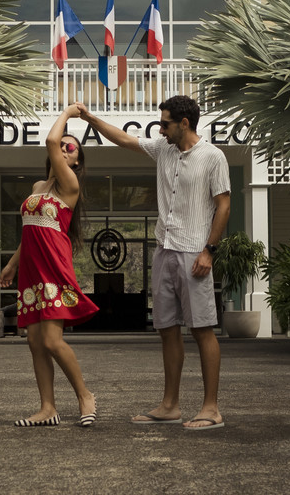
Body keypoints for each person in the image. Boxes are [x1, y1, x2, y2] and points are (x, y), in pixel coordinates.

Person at [77, 95, 230, 431]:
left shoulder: (213, 157)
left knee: (202, 328)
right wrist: (90, 118)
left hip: (195, 253)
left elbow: (223, 206)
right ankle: (170, 405)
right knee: (166, 329)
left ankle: (211, 408)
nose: (159, 129)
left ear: (184, 123)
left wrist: (209, 250)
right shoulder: (163, 150)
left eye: (165, 123)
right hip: (164, 249)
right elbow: (124, 138)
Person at [0, 104, 99, 428]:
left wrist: (69, 112)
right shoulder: (37, 189)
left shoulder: (70, 186)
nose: (63, 147)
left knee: (52, 341)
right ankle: (47, 408)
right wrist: (12, 265)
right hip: (30, 268)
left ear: (76, 161)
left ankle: (85, 395)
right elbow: (30, 231)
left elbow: (50, 141)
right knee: (33, 341)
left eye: (71, 147)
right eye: (64, 144)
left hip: (54, 267)